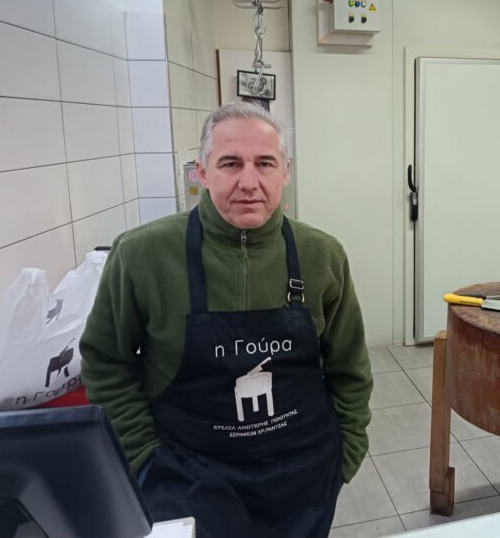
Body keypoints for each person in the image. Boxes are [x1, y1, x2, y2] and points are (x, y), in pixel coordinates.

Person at [80, 101, 373, 537]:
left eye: (265, 163)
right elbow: (106, 362)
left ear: (286, 172)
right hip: (186, 477)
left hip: (303, 477)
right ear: (202, 172)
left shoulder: (322, 254)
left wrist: (344, 453)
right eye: (230, 163)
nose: (249, 182)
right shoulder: (142, 255)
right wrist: (142, 457)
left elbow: (350, 366)